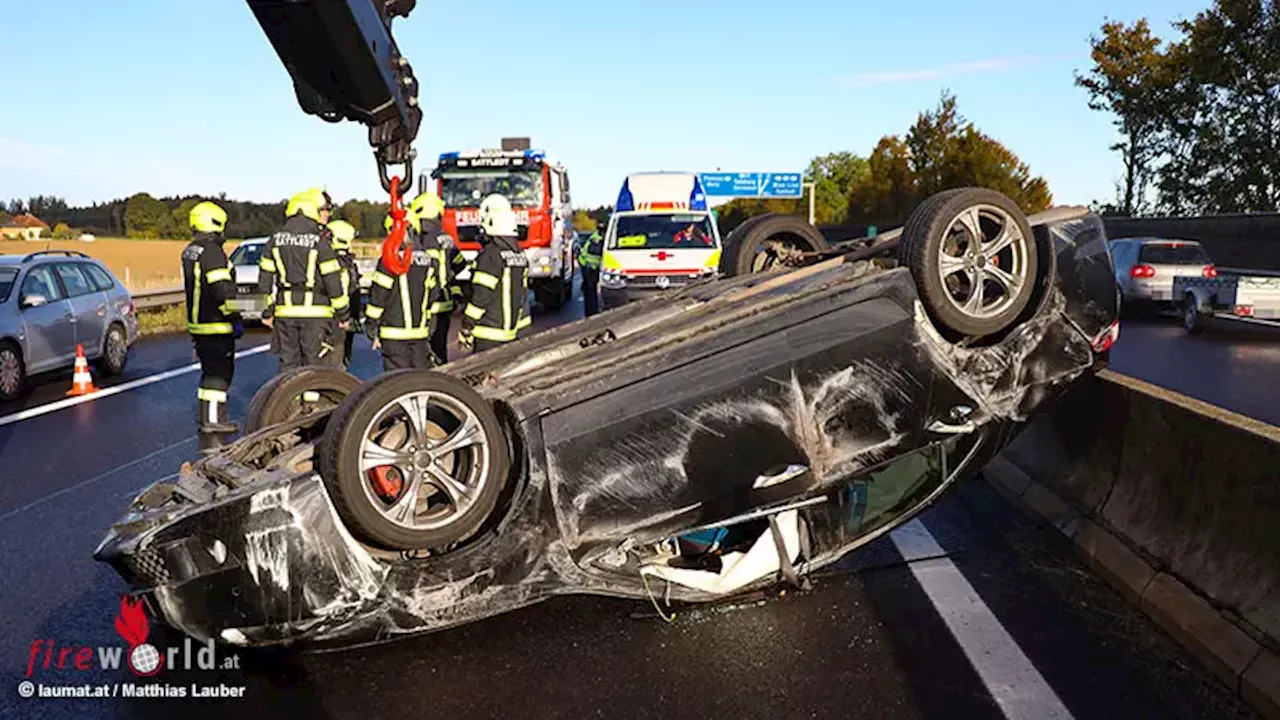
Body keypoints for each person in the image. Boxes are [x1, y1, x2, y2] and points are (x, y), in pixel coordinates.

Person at [256, 188, 351, 372]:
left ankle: (285, 399)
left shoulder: (274, 241)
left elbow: (264, 282)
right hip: (317, 314)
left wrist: (266, 312)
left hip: (285, 313)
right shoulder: (320, 243)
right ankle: (311, 400)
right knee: (313, 367)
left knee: (288, 366)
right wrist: (343, 314)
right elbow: (333, 282)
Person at [181, 200, 242, 452]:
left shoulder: (191, 250)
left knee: (208, 373)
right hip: (216, 324)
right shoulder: (213, 252)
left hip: (198, 323)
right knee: (219, 373)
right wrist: (249, 308)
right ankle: (215, 421)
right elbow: (223, 292)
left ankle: (207, 417)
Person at [365, 206, 438, 371]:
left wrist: (371, 326)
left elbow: (378, 296)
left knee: (398, 385)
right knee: (420, 383)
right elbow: (433, 296)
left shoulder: (389, 260)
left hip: (394, 335)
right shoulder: (429, 260)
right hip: (420, 334)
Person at [459, 194, 531, 353]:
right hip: (511, 334)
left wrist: (467, 324)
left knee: (481, 376)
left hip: (488, 335)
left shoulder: (491, 254)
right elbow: (523, 297)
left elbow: (481, 296)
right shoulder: (520, 255)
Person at [410, 191, 468, 363]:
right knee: (440, 347)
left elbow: (425, 271)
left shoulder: (425, 238)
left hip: (430, 304)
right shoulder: (446, 238)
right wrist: (448, 277)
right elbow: (460, 263)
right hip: (445, 302)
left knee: (426, 351)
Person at [327, 219, 363, 369]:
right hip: (341, 318)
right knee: (338, 361)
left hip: (333, 320)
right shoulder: (347, 264)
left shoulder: (330, 261)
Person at [574, 224, 604, 317]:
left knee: (589, 291)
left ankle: (590, 312)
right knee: (591, 292)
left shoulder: (593, 237)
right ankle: (592, 312)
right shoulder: (598, 240)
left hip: (587, 266)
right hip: (591, 268)